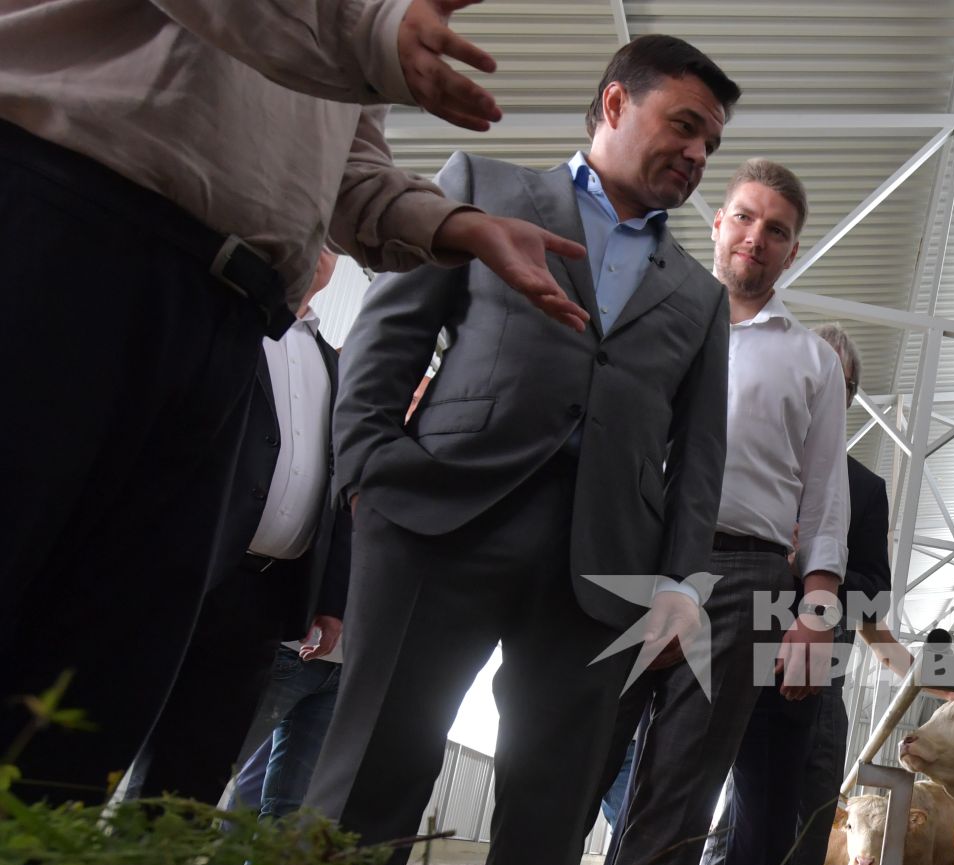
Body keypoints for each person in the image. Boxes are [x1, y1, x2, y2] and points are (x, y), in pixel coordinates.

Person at [0, 0, 594, 803]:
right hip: (64, 222)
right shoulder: (351, 19)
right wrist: (374, 35)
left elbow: (347, 173)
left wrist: (457, 226)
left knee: (92, 690)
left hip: (226, 317)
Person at [307, 35, 741, 865]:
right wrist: (371, 471)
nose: (698, 154)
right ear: (616, 105)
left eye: (711, 141)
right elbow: (390, 332)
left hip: (601, 574)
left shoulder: (699, 298)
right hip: (439, 525)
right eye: (685, 125)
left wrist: (680, 587)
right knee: (374, 766)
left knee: (551, 814)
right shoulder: (485, 190)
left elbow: (696, 455)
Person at [572, 159, 851, 865]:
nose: (754, 238)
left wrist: (816, 608)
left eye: (774, 228)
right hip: (636, 559)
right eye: (742, 218)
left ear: (791, 249)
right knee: (571, 769)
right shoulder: (664, 316)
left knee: (680, 799)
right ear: (717, 223)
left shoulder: (810, 359)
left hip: (745, 578)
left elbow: (826, 497)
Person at [666, 324, 916, 865]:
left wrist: (819, 571)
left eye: (834, 386)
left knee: (806, 828)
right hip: (737, 651)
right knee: (730, 822)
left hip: (816, 675)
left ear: (847, 399)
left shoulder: (863, 490)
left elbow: (873, 591)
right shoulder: (746, 474)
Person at [130, 252, 351, 806]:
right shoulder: (226, 318)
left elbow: (339, 487)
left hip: (265, 597)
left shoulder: (333, 362)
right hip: (181, 570)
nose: (322, 246)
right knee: (113, 744)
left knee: (197, 775)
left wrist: (330, 596)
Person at [229, 371, 438, 820]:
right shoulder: (349, 447)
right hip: (297, 644)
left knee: (290, 805)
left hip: (351, 666)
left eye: (424, 396)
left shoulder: (421, 472)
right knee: (225, 777)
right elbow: (326, 528)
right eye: (411, 391)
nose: (416, 403)